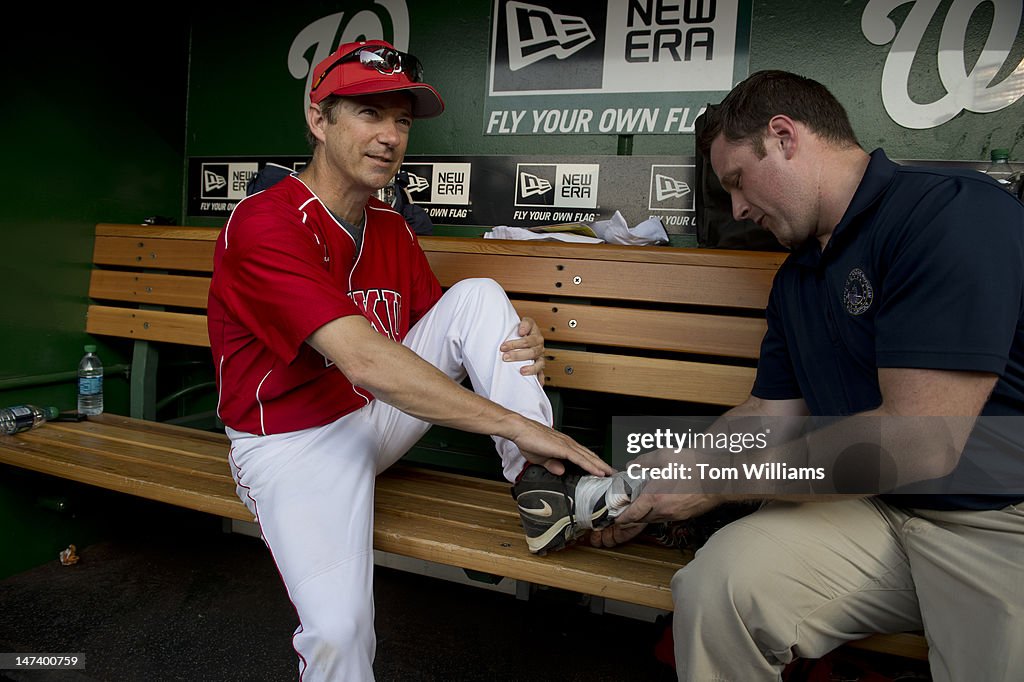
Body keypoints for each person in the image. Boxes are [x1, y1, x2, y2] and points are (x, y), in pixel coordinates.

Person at [536, 70, 1024, 681]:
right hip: (872, 510)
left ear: (785, 136)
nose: (738, 208)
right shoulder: (798, 275)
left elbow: (920, 439)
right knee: (718, 589)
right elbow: (770, 413)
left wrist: (715, 486)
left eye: (738, 181)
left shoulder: (948, 214)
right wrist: (663, 481)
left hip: (996, 517)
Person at [206, 39, 613, 682]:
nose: (390, 135)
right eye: (370, 113)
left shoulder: (391, 227)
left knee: (478, 296)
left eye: (401, 119)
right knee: (339, 635)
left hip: (375, 417)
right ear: (319, 119)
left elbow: (440, 334)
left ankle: (543, 485)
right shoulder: (265, 222)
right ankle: (534, 450)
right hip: (291, 444)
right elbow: (365, 360)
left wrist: (508, 339)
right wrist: (513, 419)